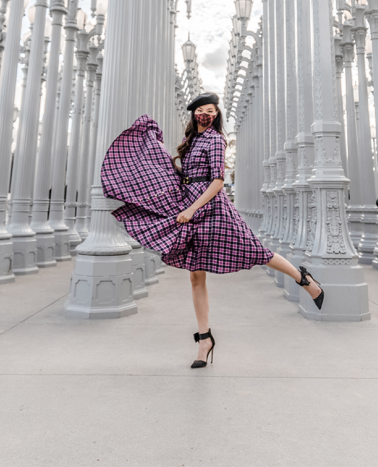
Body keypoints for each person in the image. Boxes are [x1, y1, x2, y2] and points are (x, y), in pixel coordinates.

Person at [101, 92, 324, 369]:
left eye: (211, 111)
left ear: (216, 115)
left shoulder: (216, 140)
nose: (206, 114)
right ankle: (204, 339)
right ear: (194, 113)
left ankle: (304, 280)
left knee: (254, 251)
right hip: (188, 201)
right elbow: (186, 174)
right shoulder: (190, 140)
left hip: (211, 206)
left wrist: (192, 209)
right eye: (201, 110)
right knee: (195, 275)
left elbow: (218, 181)